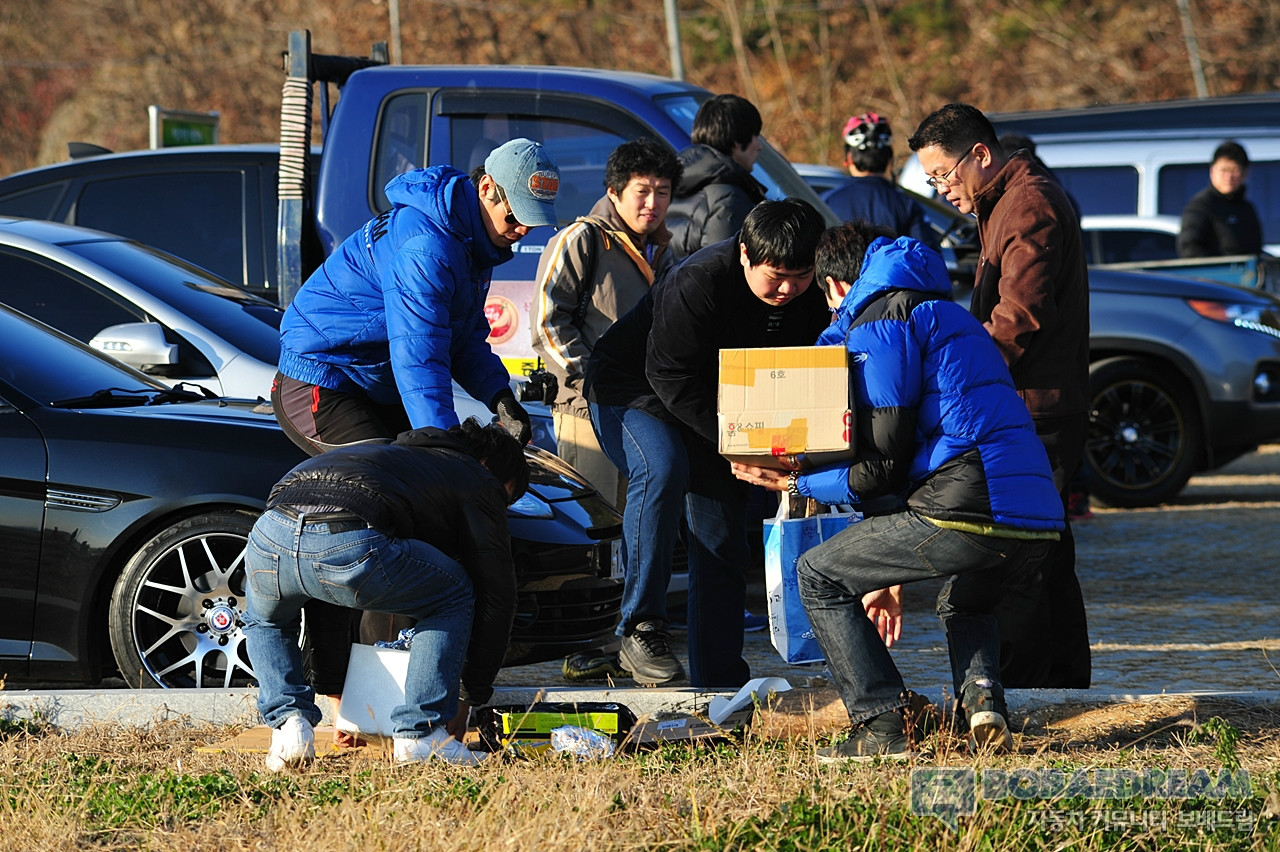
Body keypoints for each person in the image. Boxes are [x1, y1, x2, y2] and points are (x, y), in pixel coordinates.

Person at [731, 224, 1065, 760]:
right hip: (1035, 515)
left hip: (967, 503)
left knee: (817, 574)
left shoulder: (879, 321)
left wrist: (798, 480)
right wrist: (885, 571)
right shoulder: (948, 313)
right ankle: (983, 706)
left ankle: (884, 721)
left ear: (837, 285)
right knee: (965, 599)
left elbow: (880, 469)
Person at [583, 199, 832, 687]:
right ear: (744, 254)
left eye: (800, 276)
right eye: (775, 276)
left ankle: (718, 680)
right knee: (663, 466)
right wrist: (738, 443)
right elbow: (669, 375)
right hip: (635, 390)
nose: (787, 289)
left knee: (721, 540)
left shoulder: (813, 295)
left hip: (723, 412)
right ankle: (640, 627)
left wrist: (787, 448)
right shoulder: (698, 280)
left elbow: (805, 373)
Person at [908, 103, 1091, 689]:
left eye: (945, 175)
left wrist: (956, 375)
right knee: (1049, 551)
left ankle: (1030, 689)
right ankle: (1062, 682)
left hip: (1036, 409)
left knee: (1020, 555)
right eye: (932, 181)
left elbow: (1018, 316)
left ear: (980, 155)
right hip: (1031, 404)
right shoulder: (1003, 202)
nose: (943, 191)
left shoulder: (1028, 204)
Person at [243, 418, 528, 770]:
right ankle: (422, 735)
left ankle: (290, 728)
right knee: (453, 593)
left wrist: (339, 698)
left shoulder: (386, 456)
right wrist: (466, 698)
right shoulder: (477, 478)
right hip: (349, 536)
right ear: (491, 469)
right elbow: (497, 597)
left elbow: (327, 596)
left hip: (269, 533)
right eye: (507, 498)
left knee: (265, 621)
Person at [272, 137, 560, 456]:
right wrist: (443, 438)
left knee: (420, 482)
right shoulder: (429, 246)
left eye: (531, 223)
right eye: (515, 217)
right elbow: (419, 349)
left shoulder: (472, 240)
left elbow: (461, 337)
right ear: (486, 187)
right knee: (384, 477)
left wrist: (499, 396)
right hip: (323, 372)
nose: (521, 231)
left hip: (374, 381)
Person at [531, 138, 683, 509]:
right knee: (597, 520)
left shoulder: (667, 252)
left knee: (634, 527)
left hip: (646, 413)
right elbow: (547, 323)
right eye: (642, 191)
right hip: (587, 411)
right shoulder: (581, 239)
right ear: (614, 192)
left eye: (662, 192)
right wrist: (591, 381)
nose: (653, 203)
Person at [665, 94, 768, 259]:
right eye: (755, 136)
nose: (759, 146)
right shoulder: (728, 199)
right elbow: (723, 271)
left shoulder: (672, 184)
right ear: (737, 141)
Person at [820, 113, 940, 252]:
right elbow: (927, 256)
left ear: (849, 158)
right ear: (889, 159)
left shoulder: (825, 202)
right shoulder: (907, 205)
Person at [1178, 140, 1264, 258]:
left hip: (1248, 274)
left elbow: (1256, 250)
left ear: (1245, 173)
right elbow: (1189, 250)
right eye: (1223, 170)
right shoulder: (1199, 207)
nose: (1228, 177)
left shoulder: (1247, 209)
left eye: (1234, 170)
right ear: (1212, 171)